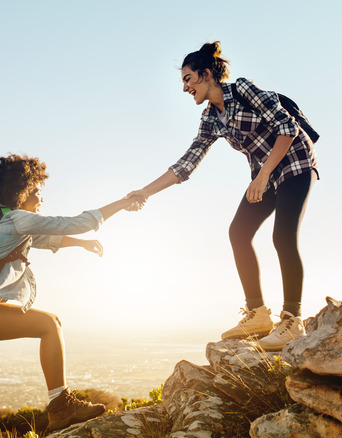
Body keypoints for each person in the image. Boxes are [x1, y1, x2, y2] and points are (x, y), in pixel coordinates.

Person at [0, 154, 137, 437]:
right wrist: (122, 203)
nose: (41, 198)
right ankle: (60, 404)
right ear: (21, 192)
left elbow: (48, 239)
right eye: (36, 191)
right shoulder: (18, 220)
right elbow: (77, 222)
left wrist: (82, 244)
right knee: (50, 324)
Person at [127, 41, 318, 351]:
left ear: (206, 75)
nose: (185, 87)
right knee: (238, 232)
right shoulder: (211, 119)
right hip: (264, 176)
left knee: (282, 237)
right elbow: (186, 164)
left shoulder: (243, 90)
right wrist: (144, 192)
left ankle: (292, 321)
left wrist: (264, 173)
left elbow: (288, 128)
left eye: (188, 79)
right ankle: (257, 314)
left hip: (294, 163)